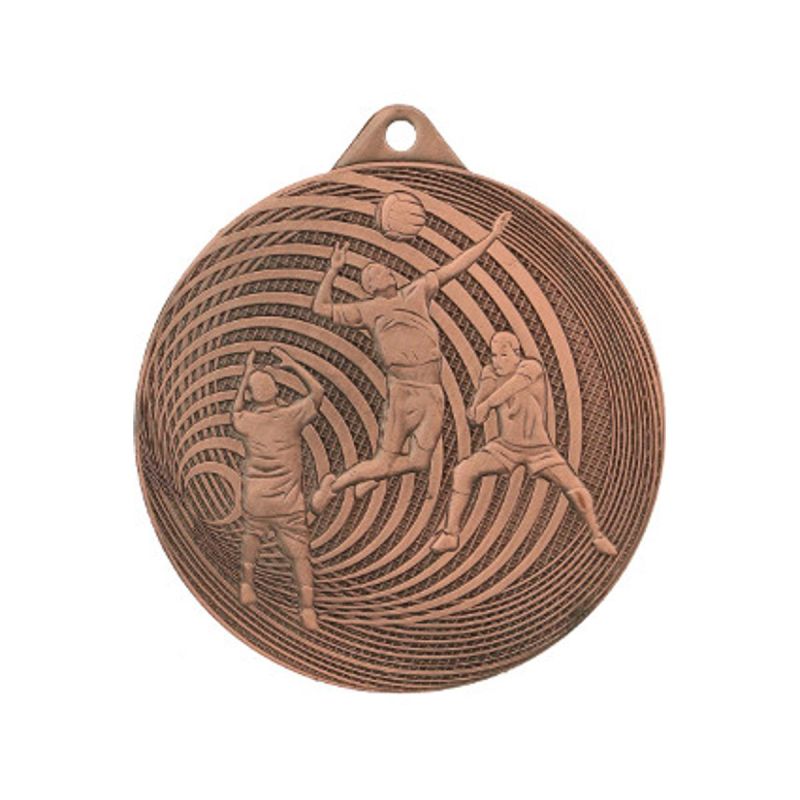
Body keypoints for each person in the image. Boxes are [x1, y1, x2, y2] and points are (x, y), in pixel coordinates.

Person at [310, 210, 512, 513]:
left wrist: (493, 236)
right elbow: (320, 307)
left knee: (419, 462)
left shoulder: (419, 290)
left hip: (433, 391)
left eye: (385, 269)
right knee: (384, 460)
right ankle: (334, 487)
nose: (386, 272)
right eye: (376, 273)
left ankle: (375, 475)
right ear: (369, 287)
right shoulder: (367, 310)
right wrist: (333, 270)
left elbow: (457, 265)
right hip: (404, 392)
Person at [430, 331, 617, 557]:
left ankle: (597, 535)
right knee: (463, 471)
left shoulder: (530, 367)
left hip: (540, 449)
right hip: (505, 447)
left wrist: (487, 404)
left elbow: (510, 389)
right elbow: (477, 414)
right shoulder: (491, 373)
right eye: (494, 355)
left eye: (503, 355)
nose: (497, 361)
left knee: (573, 486)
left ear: (516, 353)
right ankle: (450, 535)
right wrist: (477, 407)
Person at [231, 346, 324, 631]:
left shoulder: (247, 422)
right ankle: (307, 610)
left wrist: (246, 375)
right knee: (299, 556)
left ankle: (247, 584)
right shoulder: (291, 416)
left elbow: (235, 411)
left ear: (251, 396)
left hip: (256, 499)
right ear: (276, 390)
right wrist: (293, 364)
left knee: (251, 535)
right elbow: (317, 392)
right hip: (288, 503)